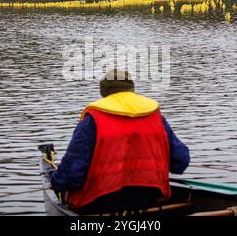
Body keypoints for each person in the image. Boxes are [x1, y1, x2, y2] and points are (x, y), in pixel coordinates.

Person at [50, 69, 190, 213]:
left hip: (99, 203)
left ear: (103, 92)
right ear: (132, 89)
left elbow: (72, 174)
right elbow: (181, 162)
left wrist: (54, 181)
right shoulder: (155, 117)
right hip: (147, 200)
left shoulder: (92, 120)